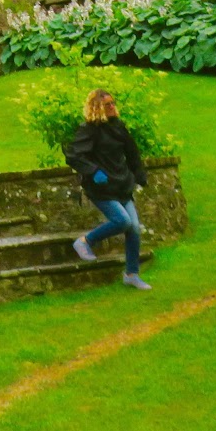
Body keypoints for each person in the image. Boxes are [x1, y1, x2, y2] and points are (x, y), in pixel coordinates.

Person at [66, 87, 152, 291]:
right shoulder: (89, 130)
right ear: (97, 107)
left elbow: (132, 153)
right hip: (101, 187)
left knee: (134, 229)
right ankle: (84, 241)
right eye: (107, 104)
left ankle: (131, 275)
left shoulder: (118, 127)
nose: (112, 107)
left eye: (113, 103)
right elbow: (74, 155)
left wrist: (139, 175)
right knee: (122, 221)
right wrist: (94, 171)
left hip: (121, 185)